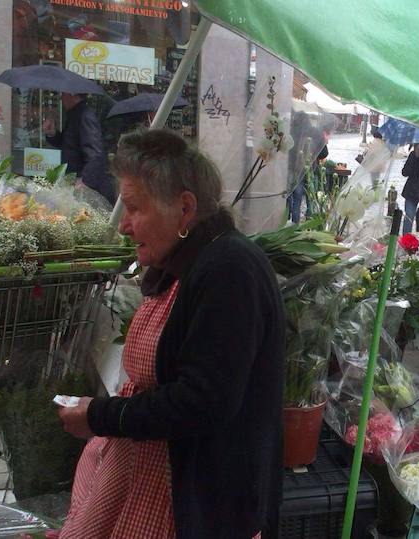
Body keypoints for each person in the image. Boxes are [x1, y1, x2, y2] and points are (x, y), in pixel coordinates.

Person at [57, 130, 285, 538]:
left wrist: (100, 416)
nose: (124, 225)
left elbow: (203, 400)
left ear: (184, 208)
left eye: (134, 208)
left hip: (204, 503)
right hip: (159, 481)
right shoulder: (183, 263)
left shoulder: (229, 270)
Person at [43, 93, 115, 204]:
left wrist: (85, 181)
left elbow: (96, 153)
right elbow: (70, 145)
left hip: (86, 186)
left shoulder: (85, 116)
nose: (61, 98)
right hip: (75, 180)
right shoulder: (75, 114)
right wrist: (52, 134)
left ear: (72, 94)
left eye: (63, 94)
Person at [400, 143, 419, 235]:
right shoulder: (413, 155)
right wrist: (416, 157)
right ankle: (405, 239)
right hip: (411, 192)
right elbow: (405, 172)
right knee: (409, 216)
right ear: (415, 146)